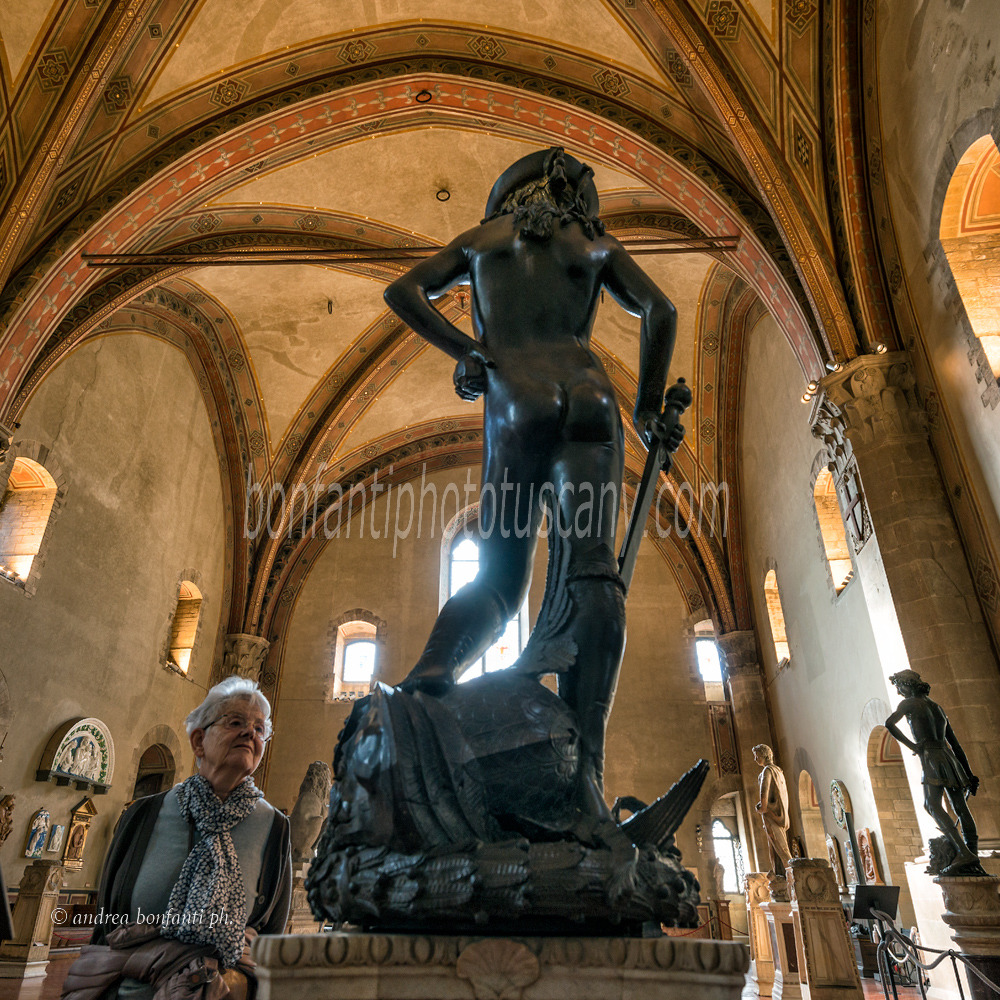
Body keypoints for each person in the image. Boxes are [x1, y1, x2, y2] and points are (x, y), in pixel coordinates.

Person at [383, 146, 679, 824]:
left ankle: (430, 677)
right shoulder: (593, 244)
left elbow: (402, 291)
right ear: (570, 200)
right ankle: (588, 778)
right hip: (590, 394)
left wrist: (466, 349)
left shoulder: (482, 241)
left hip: (517, 395)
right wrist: (649, 404)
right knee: (595, 575)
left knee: (498, 577)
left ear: (508, 200)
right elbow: (659, 310)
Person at [62, 677, 291, 1000]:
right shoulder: (142, 816)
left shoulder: (275, 827)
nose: (249, 733)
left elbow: (270, 943)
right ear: (199, 741)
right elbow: (107, 923)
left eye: (259, 728)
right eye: (236, 722)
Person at [885, 669, 983, 875]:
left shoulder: (909, 703)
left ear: (907, 685)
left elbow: (889, 724)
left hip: (931, 755)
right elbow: (955, 745)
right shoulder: (937, 707)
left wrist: (913, 746)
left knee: (931, 805)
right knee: (960, 807)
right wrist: (969, 774)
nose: (898, 692)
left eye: (899, 686)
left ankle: (964, 852)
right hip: (948, 757)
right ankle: (973, 856)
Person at [752, 744, 792, 880]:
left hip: (771, 816)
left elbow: (763, 800)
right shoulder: (778, 771)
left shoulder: (767, 772)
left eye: (756, 755)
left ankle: (795, 880)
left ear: (764, 755)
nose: (755, 759)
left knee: (781, 850)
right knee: (778, 850)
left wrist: (760, 807)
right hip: (780, 815)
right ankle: (783, 880)